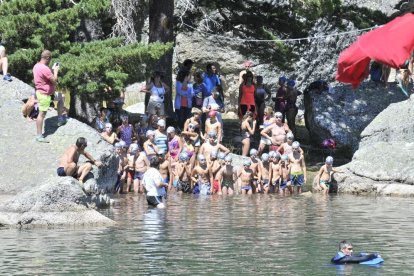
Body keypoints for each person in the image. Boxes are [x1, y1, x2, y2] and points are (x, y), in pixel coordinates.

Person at [33, 50, 60, 143]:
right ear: (47, 58)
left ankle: (60, 119)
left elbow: (46, 77)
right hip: (45, 95)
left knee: (60, 98)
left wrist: (51, 71)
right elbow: (54, 81)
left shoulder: (36, 66)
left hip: (42, 92)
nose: (50, 60)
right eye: (50, 59)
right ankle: (39, 136)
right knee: (41, 115)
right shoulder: (45, 69)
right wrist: (55, 71)